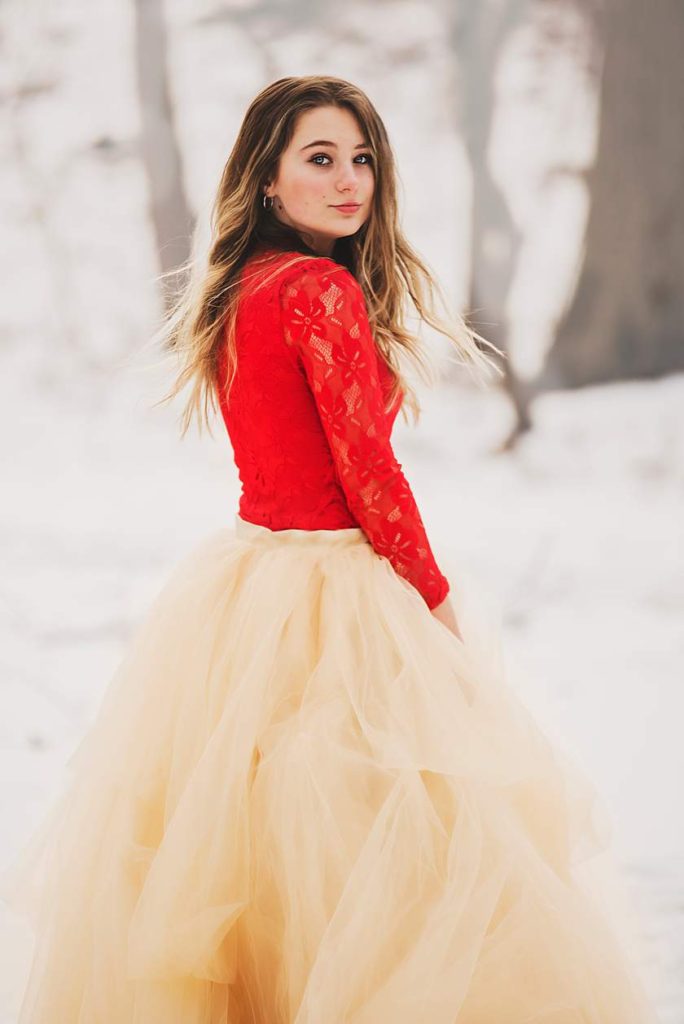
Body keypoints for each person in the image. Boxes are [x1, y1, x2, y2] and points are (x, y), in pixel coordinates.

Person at [1, 76, 658, 1022]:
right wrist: (430, 600)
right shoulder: (317, 289)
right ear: (268, 179)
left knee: (254, 845)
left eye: (362, 160)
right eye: (320, 159)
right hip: (333, 585)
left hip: (246, 582)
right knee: (383, 852)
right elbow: (369, 471)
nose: (350, 180)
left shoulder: (243, 285)